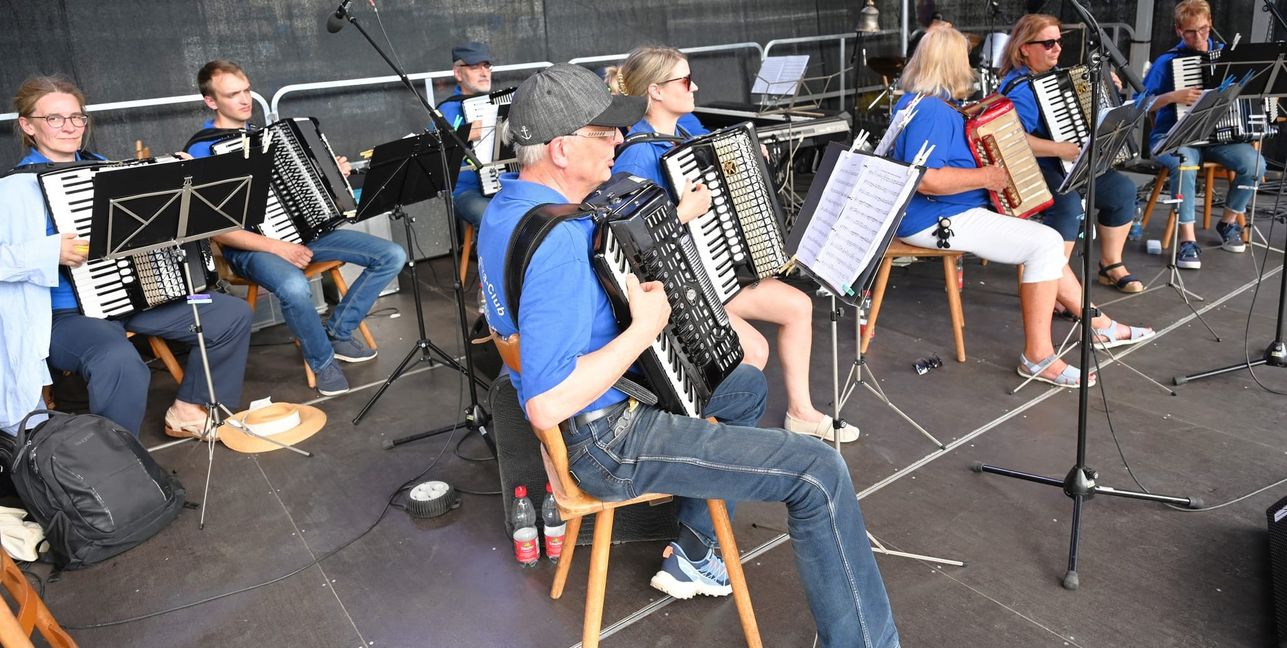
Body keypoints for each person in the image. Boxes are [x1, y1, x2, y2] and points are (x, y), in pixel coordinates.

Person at [477, 63, 898, 648]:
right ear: (561, 149)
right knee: (818, 471)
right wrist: (642, 330)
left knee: (744, 383)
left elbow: (528, 329)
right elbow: (546, 405)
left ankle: (696, 546)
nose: (620, 143)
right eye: (604, 136)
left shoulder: (504, 209)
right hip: (606, 439)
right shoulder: (562, 244)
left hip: (600, 408)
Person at [608, 46, 856, 442]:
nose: (696, 86)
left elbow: (718, 154)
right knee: (754, 350)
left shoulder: (686, 127)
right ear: (655, 91)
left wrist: (742, 156)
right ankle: (718, 446)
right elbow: (630, 246)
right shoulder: (634, 158)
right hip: (681, 288)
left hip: (714, 267)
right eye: (685, 81)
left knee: (798, 305)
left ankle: (801, 412)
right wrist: (682, 214)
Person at [0, 75, 252, 438]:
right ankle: (118, 464)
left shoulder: (106, 166)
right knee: (119, 361)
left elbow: (154, 224)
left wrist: (184, 179)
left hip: (132, 297)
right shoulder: (13, 190)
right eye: (54, 118)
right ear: (28, 125)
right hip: (65, 317)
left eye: (77, 117)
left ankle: (189, 409)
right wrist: (48, 251)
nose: (70, 127)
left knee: (229, 313)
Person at [892, 26, 1110, 387]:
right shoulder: (932, 110)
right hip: (935, 217)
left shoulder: (921, 100)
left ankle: (1096, 321)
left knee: (1046, 237)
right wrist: (987, 178)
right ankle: (1039, 356)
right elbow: (926, 179)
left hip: (947, 211)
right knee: (1046, 242)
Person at [186, 59, 406, 396]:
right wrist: (279, 248)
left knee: (391, 255)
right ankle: (322, 360)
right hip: (249, 247)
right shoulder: (201, 150)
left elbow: (298, 193)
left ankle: (338, 330)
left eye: (247, 90)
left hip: (303, 235)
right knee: (293, 286)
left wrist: (331, 173)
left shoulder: (261, 137)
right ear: (211, 101)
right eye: (233, 94)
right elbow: (216, 230)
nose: (245, 100)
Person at [1000, 14, 1150, 295]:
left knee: (1121, 190)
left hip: (1068, 163)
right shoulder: (1019, 89)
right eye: (1047, 43)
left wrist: (1106, 87)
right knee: (1068, 206)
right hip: (1031, 169)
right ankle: (1053, 283)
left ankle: (1110, 264)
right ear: (1024, 48)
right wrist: (1057, 149)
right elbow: (1010, 138)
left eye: (1058, 41)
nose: (1057, 48)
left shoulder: (1054, 78)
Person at [1142, 0, 1266, 268]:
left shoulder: (1227, 56)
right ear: (1178, 31)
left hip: (1219, 138)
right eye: (1190, 32)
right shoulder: (1168, 62)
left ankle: (1228, 222)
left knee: (1255, 164)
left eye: (1204, 30)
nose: (1198, 38)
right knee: (1186, 164)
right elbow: (1142, 104)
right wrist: (1173, 97)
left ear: (1210, 25)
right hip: (1173, 136)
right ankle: (1187, 240)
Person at [436, 42, 497, 230]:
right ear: (458, 73)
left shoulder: (498, 102)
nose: (484, 72)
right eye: (474, 67)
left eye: (486, 66)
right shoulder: (446, 110)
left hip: (502, 183)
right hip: (466, 190)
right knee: (489, 217)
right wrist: (465, 134)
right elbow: (435, 154)